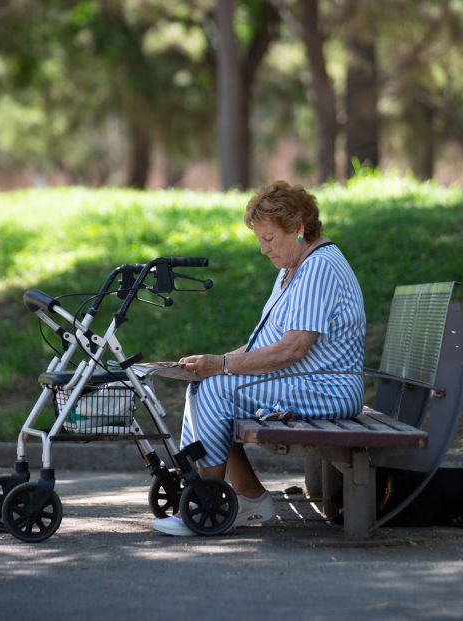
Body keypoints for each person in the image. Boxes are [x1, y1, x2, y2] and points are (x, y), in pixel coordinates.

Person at [153, 180, 366, 536]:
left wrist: (220, 366)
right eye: (259, 239)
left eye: (269, 238)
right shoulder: (291, 270)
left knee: (216, 391)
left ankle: (205, 503)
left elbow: (292, 349)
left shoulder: (319, 267)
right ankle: (248, 498)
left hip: (328, 386)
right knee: (205, 386)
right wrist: (210, 363)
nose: (264, 249)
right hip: (306, 380)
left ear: (298, 229)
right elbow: (261, 343)